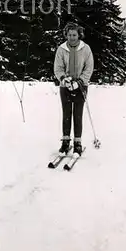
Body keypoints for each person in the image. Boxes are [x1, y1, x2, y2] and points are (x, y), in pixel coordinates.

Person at [53, 22, 94, 156]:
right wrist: (63, 78)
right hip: (65, 85)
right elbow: (58, 68)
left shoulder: (85, 48)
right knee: (66, 113)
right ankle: (65, 141)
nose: (72, 37)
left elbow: (89, 67)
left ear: (79, 35)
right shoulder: (61, 49)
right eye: (69, 35)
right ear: (66, 35)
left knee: (77, 113)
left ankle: (77, 142)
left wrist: (81, 81)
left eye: (74, 35)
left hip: (81, 85)